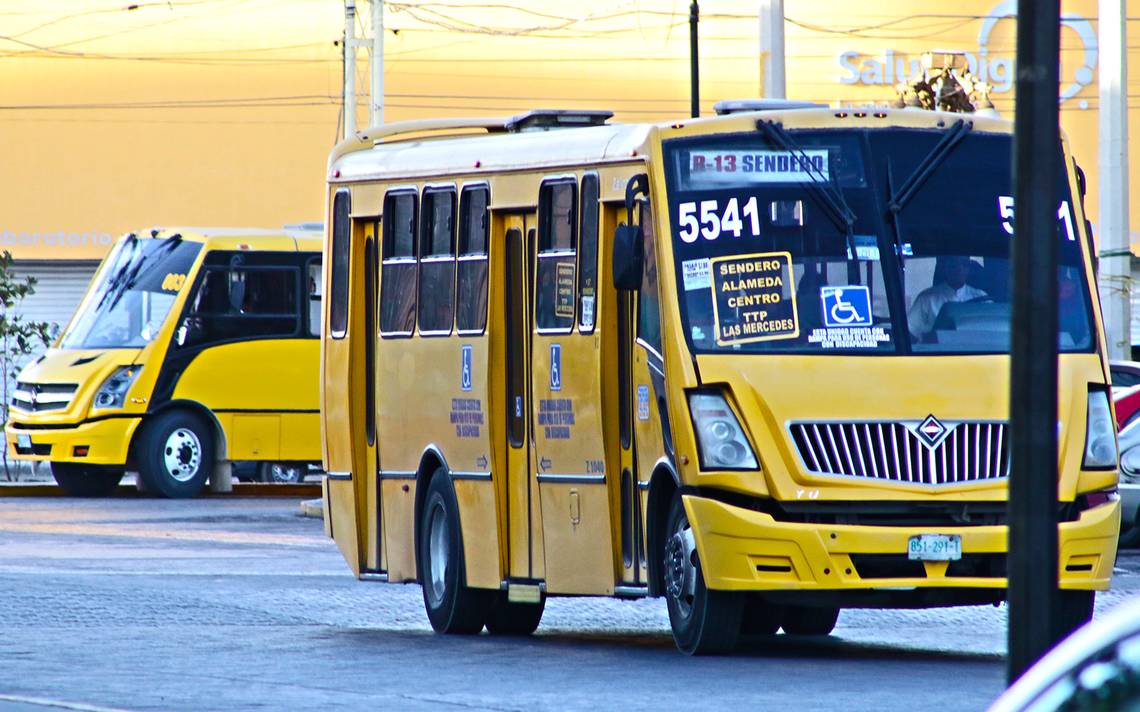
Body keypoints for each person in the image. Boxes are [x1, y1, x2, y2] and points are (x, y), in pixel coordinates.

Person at [907, 255, 987, 341]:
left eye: (964, 264)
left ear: (969, 269)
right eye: (954, 264)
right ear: (945, 268)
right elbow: (910, 333)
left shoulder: (982, 298)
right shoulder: (926, 298)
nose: (959, 269)